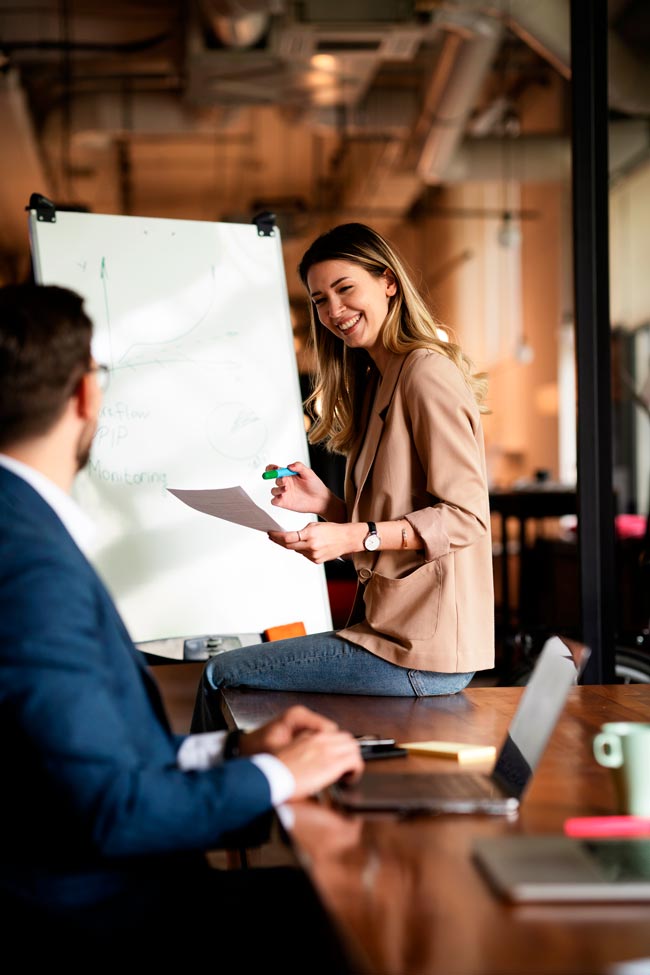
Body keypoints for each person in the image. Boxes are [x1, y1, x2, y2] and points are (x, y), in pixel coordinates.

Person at [0, 282, 363, 969]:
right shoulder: (30, 567)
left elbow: (76, 755)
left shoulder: (22, 525)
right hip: (95, 916)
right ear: (85, 396)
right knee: (345, 911)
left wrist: (230, 753)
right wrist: (279, 777)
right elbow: (115, 808)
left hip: (88, 884)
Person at [193, 223, 494, 732]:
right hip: (393, 635)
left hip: (421, 651)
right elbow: (394, 519)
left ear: (388, 282)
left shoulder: (425, 372)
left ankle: (206, 805)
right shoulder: (381, 378)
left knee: (221, 673)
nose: (333, 311)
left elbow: (465, 516)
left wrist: (349, 534)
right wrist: (328, 506)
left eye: (345, 288)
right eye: (319, 300)